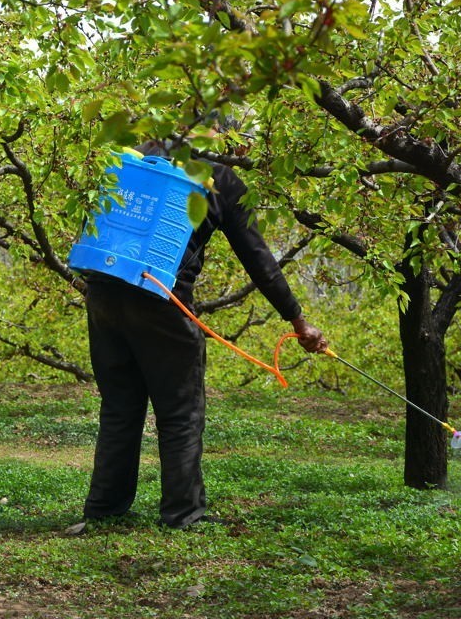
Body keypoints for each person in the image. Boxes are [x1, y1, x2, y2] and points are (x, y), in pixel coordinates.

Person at [67, 140, 326, 534]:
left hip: (103, 292)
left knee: (120, 407)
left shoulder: (136, 154)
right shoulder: (220, 177)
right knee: (181, 412)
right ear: (225, 137)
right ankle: (183, 514)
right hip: (160, 300)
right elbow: (259, 259)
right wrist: (298, 320)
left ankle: (105, 509)